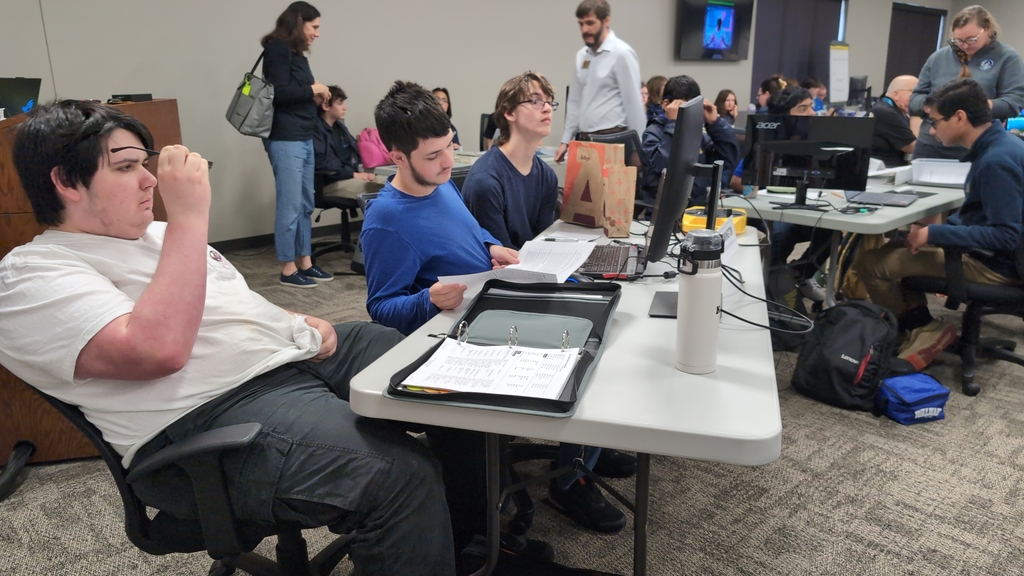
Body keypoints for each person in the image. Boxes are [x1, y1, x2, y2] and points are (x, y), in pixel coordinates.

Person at [0, 100, 455, 576]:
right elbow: (157, 350)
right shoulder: (32, 273)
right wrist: (190, 219)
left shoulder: (159, 235)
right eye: (126, 167)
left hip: (283, 362)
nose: (150, 180)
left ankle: (471, 537)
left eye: (143, 164)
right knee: (400, 477)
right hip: (211, 415)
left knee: (449, 380)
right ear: (65, 182)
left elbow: (227, 307)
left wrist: (295, 320)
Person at [461, 73, 635, 534]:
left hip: (537, 281)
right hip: (503, 298)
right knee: (598, 338)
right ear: (508, 113)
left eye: (550, 101)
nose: (546, 108)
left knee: (620, 312)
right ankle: (571, 476)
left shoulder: (540, 171)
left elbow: (544, 241)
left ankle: (589, 442)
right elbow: (492, 267)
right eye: (534, 101)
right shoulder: (485, 179)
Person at [856, 78, 1023, 370]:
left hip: (997, 266)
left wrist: (935, 231)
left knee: (871, 263)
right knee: (899, 248)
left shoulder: (996, 161)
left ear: (960, 117)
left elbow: (1006, 235)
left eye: (935, 121)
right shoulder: (1003, 145)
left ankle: (920, 330)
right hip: (998, 258)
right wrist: (934, 233)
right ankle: (922, 324)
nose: (931, 131)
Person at [261, 1, 334, 288]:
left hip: (304, 135)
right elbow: (278, 93)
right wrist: (313, 89)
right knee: (290, 206)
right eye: (314, 27)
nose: (317, 33)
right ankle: (288, 268)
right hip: (285, 137)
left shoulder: (297, 53)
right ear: (298, 22)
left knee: (305, 204)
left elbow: (297, 91)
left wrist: (316, 94)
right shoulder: (277, 48)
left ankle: (306, 261)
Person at [910, 5, 1024, 160]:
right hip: (931, 144)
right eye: (958, 40)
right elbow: (915, 100)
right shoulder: (938, 58)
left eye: (971, 39)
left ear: (987, 30)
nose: (964, 45)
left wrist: (978, 106)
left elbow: (1014, 102)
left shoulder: (1007, 58)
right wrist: (936, 105)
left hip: (977, 146)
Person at [555, 0, 645, 164]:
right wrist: (565, 141)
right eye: (581, 24)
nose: (584, 30)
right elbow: (574, 101)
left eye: (590, 23)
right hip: (584, 140)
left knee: (610, 191)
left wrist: (640, 149)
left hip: (613, 140)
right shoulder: (582, 55)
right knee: (581, 190)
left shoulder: (622, 53)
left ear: (606, 21)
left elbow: (634, 104)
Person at [641, 75, 740, 208]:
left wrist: (715, 124)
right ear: (666, 104)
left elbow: (726, 161)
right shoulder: (653, 132)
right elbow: (663, 166)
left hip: (695, 208)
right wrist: (674, 124)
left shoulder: (696, 134)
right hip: (662, 211)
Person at [313, 85, 384, 200]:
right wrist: (353, 174)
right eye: (340, 103)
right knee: (384, 189)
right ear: (326, 105)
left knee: (393, 183)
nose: (345, 108)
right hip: (331, 184)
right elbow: (322, 163)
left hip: (350, 176)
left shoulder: (340, 128)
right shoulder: (315, 131)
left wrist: (365, 173)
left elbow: (354, 153)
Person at [871, 75, 919, 167]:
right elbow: (912, 147)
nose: (917, 98)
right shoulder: (886, 113)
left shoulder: (890, 108)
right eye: (914, 93)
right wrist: (916, 114)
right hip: (883, 171)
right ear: (895, 94)